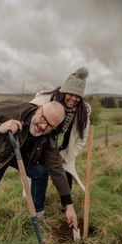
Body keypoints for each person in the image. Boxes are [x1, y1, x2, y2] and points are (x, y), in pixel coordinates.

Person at [0, 100, 78, 242]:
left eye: (49, 125)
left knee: (41, 171)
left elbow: (57, 169)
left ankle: (38, 212)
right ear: (39, 109)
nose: (43, 126)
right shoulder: (17, 109)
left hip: (20, 157)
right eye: (43, 119)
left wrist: (69, 205)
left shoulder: (49, 137)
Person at [29, 67, 91, 210]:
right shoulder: (46, 100)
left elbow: (83, 138)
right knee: (41, 175)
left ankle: (66, 206)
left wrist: (68, 157)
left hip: (63, 151)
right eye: (71, 94)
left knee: (65, 175)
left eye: (78, 96)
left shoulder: (82, 112)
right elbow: (28, 115)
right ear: (64, 91)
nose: (74, 98)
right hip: (42, 148)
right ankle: (37, 209)